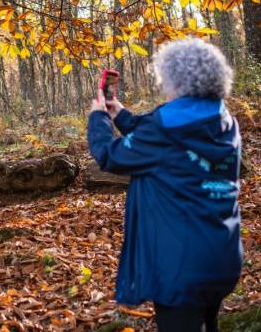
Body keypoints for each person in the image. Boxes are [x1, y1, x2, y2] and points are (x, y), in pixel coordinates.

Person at [87, 38, 242, 332]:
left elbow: (110, 156)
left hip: (180, 266)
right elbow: (165, 138)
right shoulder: (224, 120)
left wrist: (98, 118)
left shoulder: (163, 130)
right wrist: (120, 114)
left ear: (175, 79)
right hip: (221, 255)